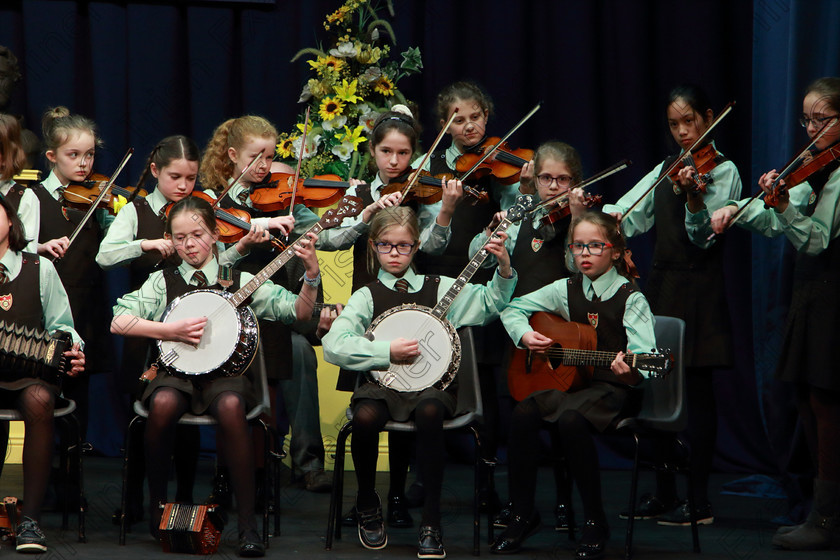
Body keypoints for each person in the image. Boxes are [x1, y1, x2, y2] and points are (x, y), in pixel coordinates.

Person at [110, 196, 320, 557]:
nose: (189, 245)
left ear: (215, 233)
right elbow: (119, 321)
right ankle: (158, 509)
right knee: (160, 403)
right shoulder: (163, 280)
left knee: (231, 406)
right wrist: (168, 330)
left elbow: (298, 312)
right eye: (179, 238)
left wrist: (312, 275)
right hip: (175, 372)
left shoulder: (240, 279)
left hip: (227, 375)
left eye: (197, 235)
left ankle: (248, 525)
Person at [322, 205, 517, 559]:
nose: (394, 253)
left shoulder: (440, 288)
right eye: (385, 245)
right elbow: (334, 345)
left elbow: (491, 303)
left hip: (434, 387)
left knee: (429, 412)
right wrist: (386, 351)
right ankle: (367, 502)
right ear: (373, 247)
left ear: (416, 247)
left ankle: (431, 521)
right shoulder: (366, 296)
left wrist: (503, 267)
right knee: (364, 418)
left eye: (403, 246)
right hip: (383, 385)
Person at [602, 85, 742, 526]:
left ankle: (698, 500)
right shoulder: (668, 168)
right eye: (674, 124)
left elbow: (703, 236)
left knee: (697, 396)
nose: (682, 132)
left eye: (689, 121)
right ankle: (663, 491)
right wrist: (602, 218)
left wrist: (693, 196)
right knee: (654, 386)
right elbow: (628, 212)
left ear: (707, 116)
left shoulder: (724, 170)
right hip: (661, 285)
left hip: (699, 287)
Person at [711, 76, 840, 550]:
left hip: (834, 296)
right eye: (806, 119)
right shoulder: (815, 166)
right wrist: (737, 209)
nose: (810, 130)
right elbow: (776, 219)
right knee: (807, 400)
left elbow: (817, 237)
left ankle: (827, 520)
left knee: (828, 405)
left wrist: (783, 204)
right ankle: (819, 507)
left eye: (821, 119)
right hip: (812, 295)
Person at [97, 135, 250, 524]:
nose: (184, 186)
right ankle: (141, 505)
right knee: (152, 412)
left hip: (204, 332)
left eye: (191, 178)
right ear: (154, 173)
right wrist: (147, 245)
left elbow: (218, 270)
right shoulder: (138, 210)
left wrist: (244, 247)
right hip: (152, 326)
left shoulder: (203, 212)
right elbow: (106, 255)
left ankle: (188, 499)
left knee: (192, 417)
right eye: (175, 177)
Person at [492, 210, 656, 558]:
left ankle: (595, 520)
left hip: (614, 390)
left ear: (614, 251)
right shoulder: (566, 289)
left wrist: (633, 369)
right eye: (578, 245)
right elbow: (513, 308)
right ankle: (522, 513)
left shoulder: (630, 297)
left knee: (570, 420)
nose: (585, 253)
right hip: (576, 386)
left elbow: (646, 359)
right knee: (524, 411)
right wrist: (525, 336)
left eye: (595, 246)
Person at [469, 140, 586, 532]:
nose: (553, 186)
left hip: (560, 334)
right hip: (516, 332)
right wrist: (491, 232)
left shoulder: (577, 219)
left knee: (561, 423)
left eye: (562, 179)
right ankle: (524, 506)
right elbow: (478, 257)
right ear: (533, 179)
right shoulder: (519, 213)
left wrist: (579, 219)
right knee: (519, 420)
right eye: (546, 178)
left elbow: (577, 266)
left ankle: (567, 505)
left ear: (574, 182)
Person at [0, 194, 85, 553]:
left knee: (39, 398)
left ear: (10, 222)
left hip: (28, 373)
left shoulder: (39, 268)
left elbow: (63, 325)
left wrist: (75, 351)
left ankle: (30, 521)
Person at [32, 106, 116, 441]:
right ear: (52, 156)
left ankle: (71, 484)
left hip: (84, 309)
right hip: (40, 314)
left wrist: (116, 215)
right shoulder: (33, 197)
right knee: (41, 394)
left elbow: (113, 250)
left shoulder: (99, 200)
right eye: (74, 155)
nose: (84, 163)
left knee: (77, 401)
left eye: (90, 155)